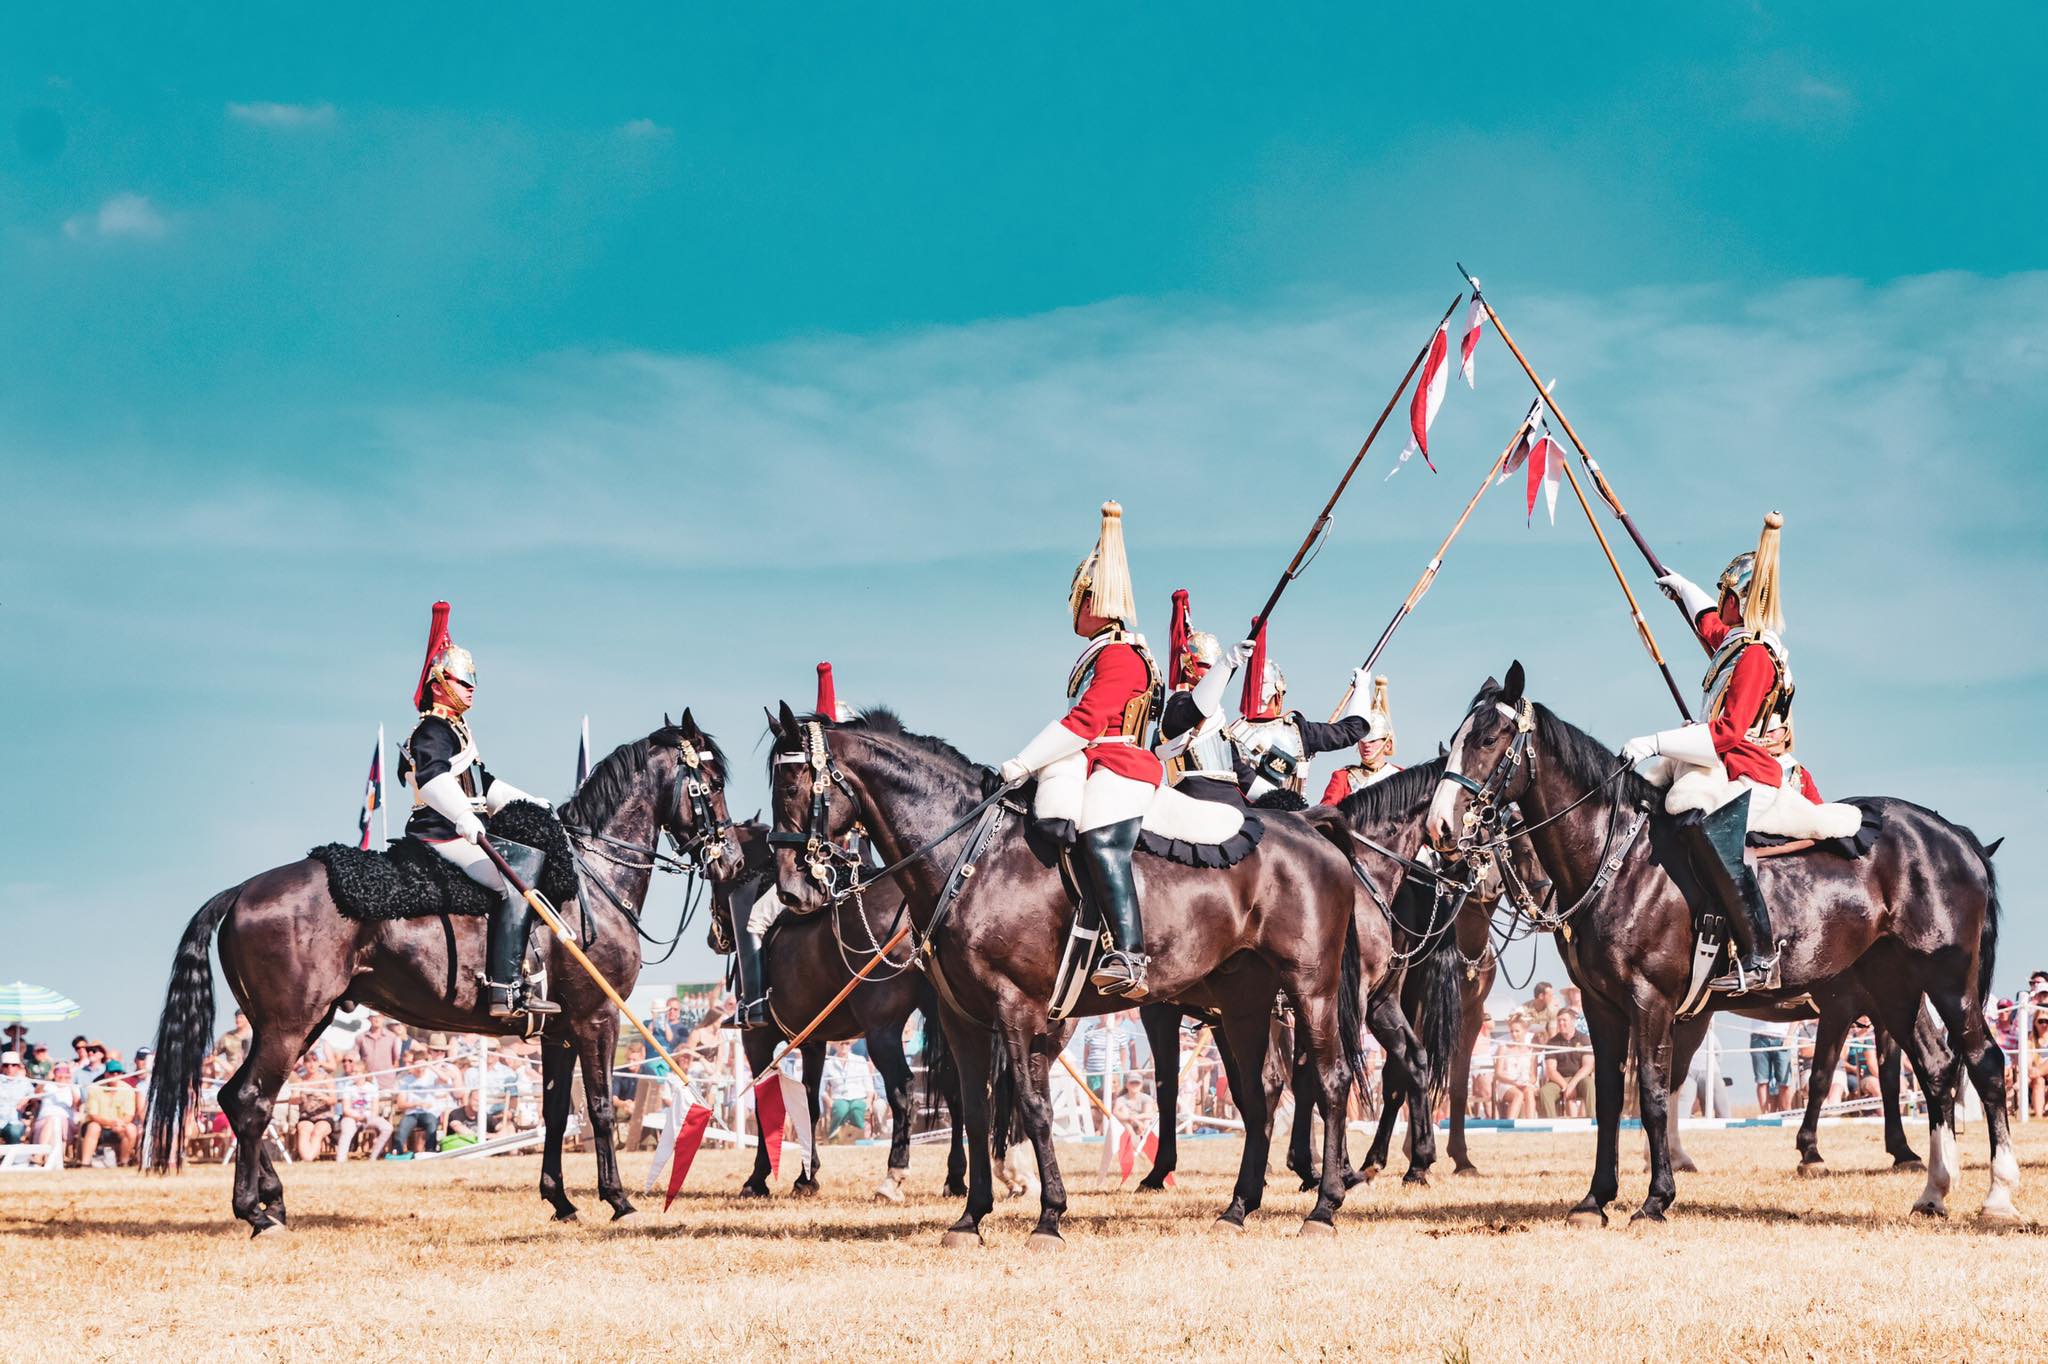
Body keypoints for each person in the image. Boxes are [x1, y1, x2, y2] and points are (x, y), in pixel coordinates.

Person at [999, 502, 1163, 999]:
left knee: (1098, 838)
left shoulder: (1120, 654)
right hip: (1093, 760)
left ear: (1094, 599)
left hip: (1120, 763)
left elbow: (1088, 722)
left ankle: (1130, 955)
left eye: (1078, 597)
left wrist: (1027, 760)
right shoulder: (1100, 653)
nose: (1072, 607)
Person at [397, 601, 556, 1019]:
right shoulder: (432, 729)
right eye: (463, 681)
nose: (471, 689)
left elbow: (484, 785)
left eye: (472, 682)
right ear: (439, 683)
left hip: (458, 827)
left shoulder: (456, 730)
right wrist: (464, 816)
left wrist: (532, 802)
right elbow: (432, 781)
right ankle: (505, 986)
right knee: (514, 878)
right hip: (440, 832)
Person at [1226, 628, 1376, 808]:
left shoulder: (1230, 736)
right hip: (1293, 821)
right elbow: (1353, 729)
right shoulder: (1300, 731)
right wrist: (1361, 687)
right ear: (1278, 694)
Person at [1153, 590, 1253, 807]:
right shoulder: (1178, 706)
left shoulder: (1216, 716)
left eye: (1214, 666)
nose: (1212, 672)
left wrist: (1279, 800)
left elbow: (1240, 771)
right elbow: (1196, 709)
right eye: (1207, 666)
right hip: (1194, 798)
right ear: (1188, 667)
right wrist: (1226, 664)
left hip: (1230, 796)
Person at [1320, 676, 1402, 804]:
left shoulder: (1400, 776)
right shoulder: (1343, 778)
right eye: (1362, 741)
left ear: (1387, 745)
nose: (1366, 746)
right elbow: (1326, 813)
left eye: (1373, 741)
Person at [77, 1060, 141, 1166]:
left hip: (119, 1126)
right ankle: (85, 1163)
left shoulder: (128, 1089)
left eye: (118, 1072)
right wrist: (111, 1124)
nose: (115, 1075)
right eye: (112, 1073)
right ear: (106, 1074)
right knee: (94, 1127)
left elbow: (129, 1115)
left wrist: (119, 1124)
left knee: (131, 1129)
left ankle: (123, 1162)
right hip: (99, 1125)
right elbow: (93, 1115)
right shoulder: (95, 1088)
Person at [335, 1056, 393, 1162]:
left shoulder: (372, 1088)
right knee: (346, 1131)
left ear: (364, 1073)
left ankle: (373, 1157)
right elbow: (346, 1109)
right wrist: (357, 1117)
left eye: (357, 1072)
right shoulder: (348, 1088)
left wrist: (367, 1118)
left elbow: (374, 1110)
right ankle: (340, 1160)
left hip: (369, 1117)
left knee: (387, 1128)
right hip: (351, 1117)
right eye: (353, 1072)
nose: (354, 1074)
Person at [1538, 1010, 1593, 1118]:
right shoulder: (1552, 1042)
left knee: (1590, 1084)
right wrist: (1565, 1086)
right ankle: (1551, 1124)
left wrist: (1572, 1084)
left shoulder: (1584, 1039)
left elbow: (1588, 1066)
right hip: (1559, 1080)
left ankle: (1594, 1120)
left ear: (1573, 1022)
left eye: (1564, 1020)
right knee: (1545, 1091)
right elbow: (1551, 1070)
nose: (1561, 1023)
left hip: (1580, 1079)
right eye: (1559, 1020)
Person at [821, 1040, 876, 1142]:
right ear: (835, 1045)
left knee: (857, 1109)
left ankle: (859, 1139)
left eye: (847, 1043)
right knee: (841, 1109)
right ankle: (834, 1138)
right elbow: (821, 1087)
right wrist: (829, 1101)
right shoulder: (828, 1063)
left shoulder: (860, 1060)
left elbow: (869, 1084)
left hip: (859, 1096)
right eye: (841, 1043)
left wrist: (869, 1100)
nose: (844, 1046)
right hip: (839, 1097)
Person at [0, 1051, 34, 1144]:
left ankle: (14, 1158)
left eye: (13, 1065)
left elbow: (35, 1095)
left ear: (18, 1067)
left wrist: (27, 1099)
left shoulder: (25, 1082)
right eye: (6, 1065)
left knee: (14, 1132)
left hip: (14, 1122)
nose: (10, 1068)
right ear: (2, 1067)